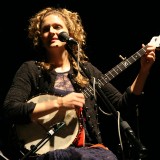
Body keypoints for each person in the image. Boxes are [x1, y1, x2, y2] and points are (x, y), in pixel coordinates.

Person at [1, 6, 156, 160]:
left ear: (70, 33)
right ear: (40, 37)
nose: (52, 32)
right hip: (48, 152)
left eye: (57, 27)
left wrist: (143, 71)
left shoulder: (86, 70)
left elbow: (121, 105)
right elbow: (11, 109)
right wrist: (60, 103)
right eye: (46, 29)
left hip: (89, 149)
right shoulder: (31, 70)